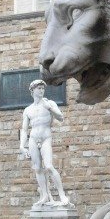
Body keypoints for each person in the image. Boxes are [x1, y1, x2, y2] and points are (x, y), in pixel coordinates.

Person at [20, 79, 73, 207]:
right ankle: (44, 195)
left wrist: (50, 108)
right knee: (37, 168)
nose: (41, 90)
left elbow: (61, 117)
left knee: (49, 166)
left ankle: (62, 195)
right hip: (33, 139)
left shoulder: (50, 103)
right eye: (39, 88)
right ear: (32, 91)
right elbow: (24, 129)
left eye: (43, 88)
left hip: (45, 138)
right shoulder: (28, 110)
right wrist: (22, 146)